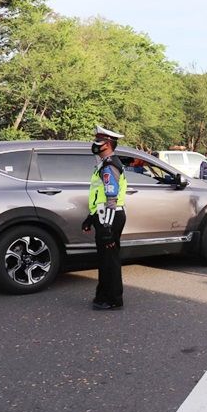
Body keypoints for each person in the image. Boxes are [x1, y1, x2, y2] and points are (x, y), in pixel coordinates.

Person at [81, 125, 128, 311]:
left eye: (98, 142)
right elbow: (98, 197)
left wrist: (107, 227)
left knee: (110, 260)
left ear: (107, 144)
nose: (94, 144)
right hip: (104, 216)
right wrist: (90, 218)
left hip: (110, 217)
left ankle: (113, 299)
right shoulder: (104, 164)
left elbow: (111, 197)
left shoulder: (109, 166)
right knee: (105, 259)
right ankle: (102, 296)